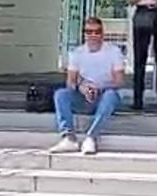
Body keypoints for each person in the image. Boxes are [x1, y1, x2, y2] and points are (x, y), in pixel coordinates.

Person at [49, 17, 124, 155]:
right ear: (84, 34)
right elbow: (70, 81)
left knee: (111, 96)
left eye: (97, 32)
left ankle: (91, 136)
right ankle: (68, 137)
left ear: (103, 34)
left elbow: (119, 81)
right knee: (61, 94)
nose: (93, 35)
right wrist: (81, 86)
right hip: (83, 97)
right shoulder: (77, 53)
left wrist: (99, 87)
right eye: (89, 32)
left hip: (103, 96)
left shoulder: (113, 52)